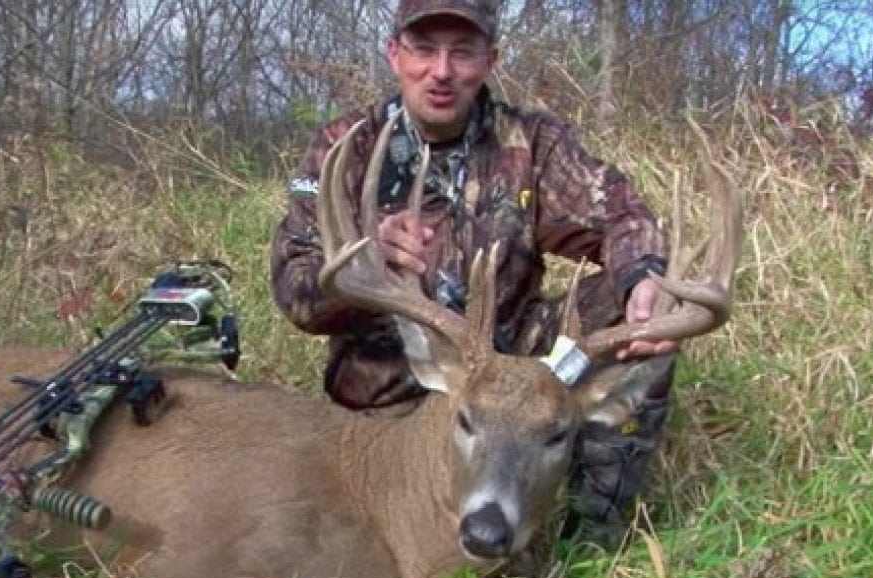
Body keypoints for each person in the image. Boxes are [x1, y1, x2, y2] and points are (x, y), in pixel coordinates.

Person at [269, 0, 676, 534]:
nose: (441, 71)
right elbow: (294, 283)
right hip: (390, 393)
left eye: (463, 52)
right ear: (395, 54)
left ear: (490, 60)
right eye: (424, 49)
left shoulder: (531, 143)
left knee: (650, 320)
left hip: (515, 377)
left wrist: (642, 275)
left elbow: (621, 215)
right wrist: (357, 266)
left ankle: (591, 526)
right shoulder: (345, 147)